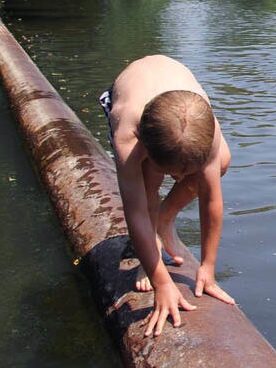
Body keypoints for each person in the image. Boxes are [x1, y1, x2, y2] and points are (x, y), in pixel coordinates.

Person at [100, 54, 235, 337]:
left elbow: (211, 200)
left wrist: (208, 267)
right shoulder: (129, 136)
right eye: (171, 173)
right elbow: (135, 210)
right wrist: (161, 282)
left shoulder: (207, 130)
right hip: (133, 98)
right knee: (148, 182)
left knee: (221, 162)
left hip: (182, 102)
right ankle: (150, 252)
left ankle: (164, 219)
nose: (179, 180)